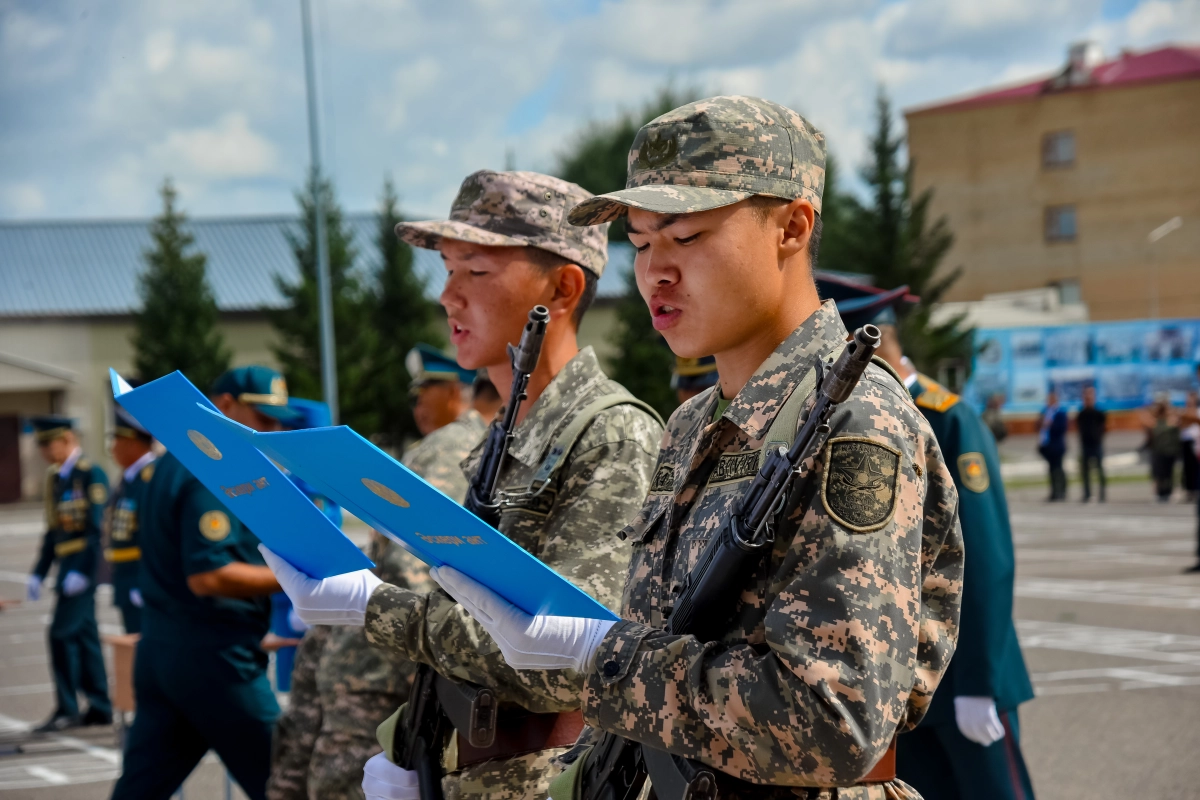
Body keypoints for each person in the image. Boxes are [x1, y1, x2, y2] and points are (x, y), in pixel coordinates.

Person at [429, 96, 965, 799]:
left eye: (685, 239)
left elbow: (828, 723)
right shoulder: (690, 427)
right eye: (642, 243)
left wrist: (599, 655)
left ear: (791, 228)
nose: (655, 272)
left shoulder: (854, 424)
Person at [262, 170, 664, 800]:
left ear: (562, 287)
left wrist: (372, 604)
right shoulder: (502, 440)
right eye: (447, 271)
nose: (449, 296)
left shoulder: (612, 436)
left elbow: (564, 657)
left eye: (475, 272)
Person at [817, 274, 1036, 800]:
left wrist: (979, 683)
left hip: (963, 681)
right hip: (899, 685)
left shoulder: (947, 416)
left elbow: (985, 560)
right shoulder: (843, 415)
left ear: (866, 338)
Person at [269, 360, 483, 800]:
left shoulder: (447, 448)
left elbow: (410, 573)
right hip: (375, 664)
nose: (417, 403)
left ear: (456, 392)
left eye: (427, 391)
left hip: (376, 674)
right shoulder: (461, 445)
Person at [110, 366, 304, 800]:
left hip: (163, 651)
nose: (271, 431)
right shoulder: (212, 467)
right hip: (215, 662)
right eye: (264, 419)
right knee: (287, 785)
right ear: (225, 406)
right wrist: (300, 580)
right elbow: (209, 574)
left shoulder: (171, 460)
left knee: (140, 789)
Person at [26, 416, 112, 732]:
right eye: (42, 445)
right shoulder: (56, 478)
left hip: (83, 569)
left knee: (60, 634)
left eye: (49, 443)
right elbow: (53, 532)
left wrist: (82, 572)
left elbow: (96, 529)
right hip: (67, 567)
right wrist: (38, 572)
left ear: (67, 438)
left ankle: (68, 707)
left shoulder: (90, 474)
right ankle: (101, 706)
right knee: (85, 637)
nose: (45, 451)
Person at [401, 343, 492, 502]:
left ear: (452, 393)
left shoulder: (452, 443)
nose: (418, 408)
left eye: (422, 395)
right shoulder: (480, 437)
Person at [104, 400, 157, 634]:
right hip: (126, 577)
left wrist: (144, 582)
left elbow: (154, 536)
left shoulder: (150, 478)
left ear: (133, 443)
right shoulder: (130, 479)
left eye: (117, 441)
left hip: (141, 576)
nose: (112, 448)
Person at [1145, 395, 1180, 502]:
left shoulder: (1171, 419)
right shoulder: (1156, 420)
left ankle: (1168, 492)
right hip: (1159, 450)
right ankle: (1160, 492)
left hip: (1169, 451)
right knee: (1159, 473)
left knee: (1169, 473)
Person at [1076, 386, 1107, 503]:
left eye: (1090, 396)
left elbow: (1104, 428)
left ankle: (1102, 494)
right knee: (1085, 471)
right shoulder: (1082, 413)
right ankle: (1087, 494)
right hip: (1085, 445)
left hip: (1096, 444)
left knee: (1100, 470)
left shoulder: (1099, 413)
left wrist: (1098, 437)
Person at [1038, 390, 1068, 501]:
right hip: (1047, 446)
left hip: (1057, 446)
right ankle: (1054, 492)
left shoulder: (1060, 413)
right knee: (1051, 470)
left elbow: (1062, 429)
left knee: (1058, 469)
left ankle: (1062, 491)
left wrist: (1051, 424)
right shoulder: (1045, 412)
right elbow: (1038, 426)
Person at [1180, 391, 1199, 501]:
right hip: (1186, 441)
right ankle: (1189, 490)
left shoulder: (1197, 411)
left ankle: (1196, 490)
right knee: (1187, 468)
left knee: (1196, 468)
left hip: (1196, 442)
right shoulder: (1185, 412)